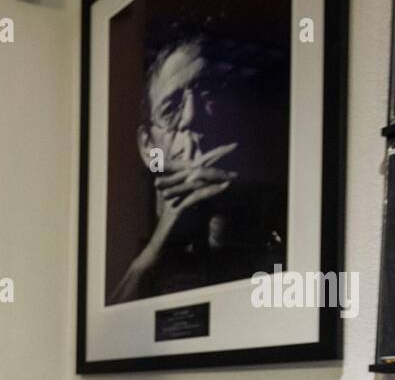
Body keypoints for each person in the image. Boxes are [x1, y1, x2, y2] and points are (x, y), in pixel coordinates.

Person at [109, 34, 283, 304]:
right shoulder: (122, 237)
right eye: (171, 109)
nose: (192, 116)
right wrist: (157, 248)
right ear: (148, 147)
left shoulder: (263, 216)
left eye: (209, 98)